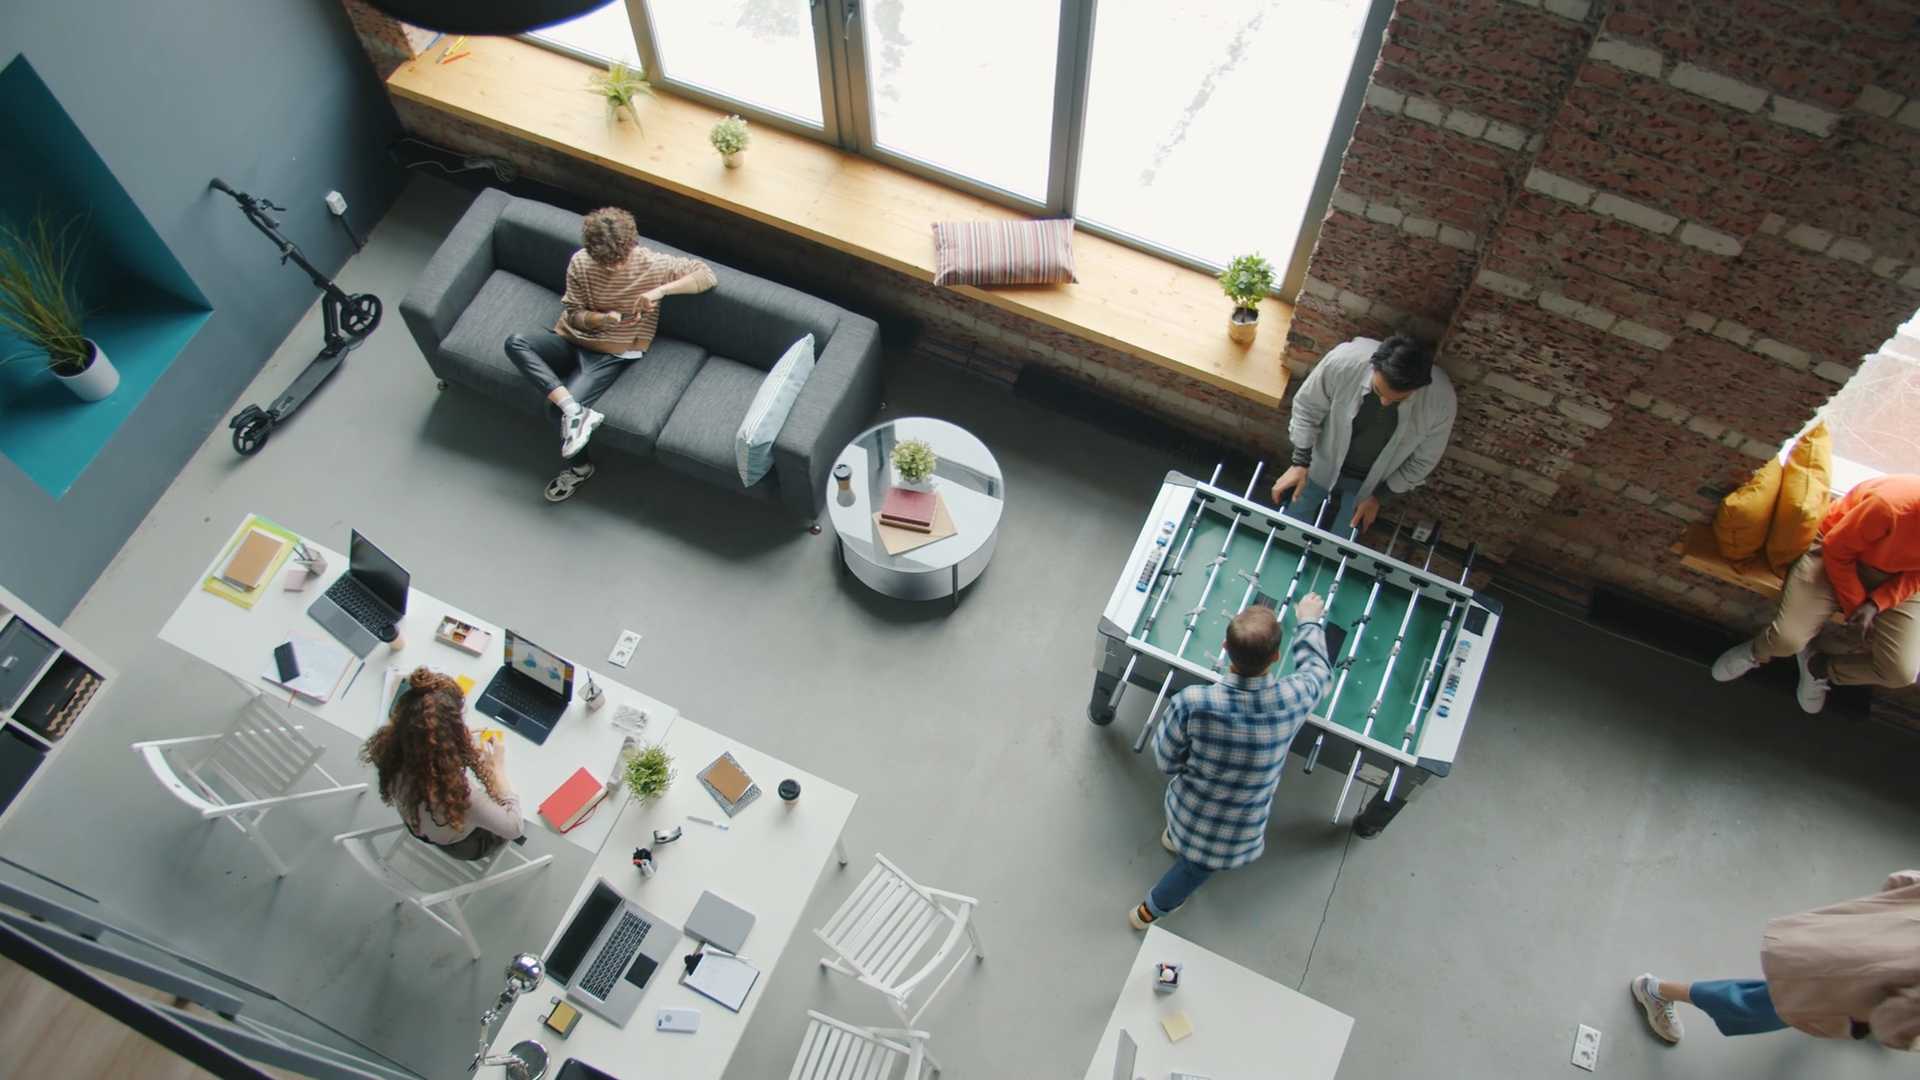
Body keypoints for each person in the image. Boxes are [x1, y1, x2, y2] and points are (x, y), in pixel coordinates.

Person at [1129, 593, 1332, 929]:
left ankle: (1165, 872)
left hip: (1186, 809)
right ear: (1276, 656)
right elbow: (1319, 673)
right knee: (1194, 870)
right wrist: (1309, 619)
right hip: (1231, 834)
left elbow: (1166, 761)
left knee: (1184, 847)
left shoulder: (1193, 701)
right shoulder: (1293, 697)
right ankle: (1148, 912)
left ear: (1225, 648)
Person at [502, 206, 716, 503]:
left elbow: (705, 275)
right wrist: (600, 320)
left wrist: (659, 292)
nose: (614, 268)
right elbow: (573, 313)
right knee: (515, 343)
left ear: (632, 244)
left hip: (611, 354)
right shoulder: (580, 263)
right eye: (605, 262)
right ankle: (576, 412)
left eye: (619, 260)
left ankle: (580, 467)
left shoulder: (653, 265)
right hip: (570, 339)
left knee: (554, 411)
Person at [1630, 870, 1920, 1051]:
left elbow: (1902, 880)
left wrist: (1889, 938)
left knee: (1780, 994)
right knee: (1758, 1003)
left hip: (1837, 939)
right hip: (1833, 985)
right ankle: (1655, 989)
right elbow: (1890, 1022)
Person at [1713, 474, 1920, 712]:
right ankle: (1755, 652)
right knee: (1786, 640)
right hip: (1835, 555)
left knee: (1899, 673)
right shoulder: (1891, 505)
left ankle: (1818, 667)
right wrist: (1856, 606)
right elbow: (1837, 550)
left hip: (1898, 577)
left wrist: (1875, 604)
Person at [1269, 334, 1456, 534]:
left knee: (1339, 547)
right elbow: (1307, 408)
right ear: (1374, 367)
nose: (1385, 402)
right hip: (1319, 463)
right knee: (1287, 530)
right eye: (1379, 391)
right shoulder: (1343, 362)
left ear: (1418, 388)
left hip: (1369, 487)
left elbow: (1423, 461)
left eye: (1397, 399)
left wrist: (1379, 497)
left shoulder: (1441, 401)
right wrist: (1300, 463)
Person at [360, 667, 524, 860]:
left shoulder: (387, 747)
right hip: (462, 844)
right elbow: (514, 828)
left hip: (418, 823)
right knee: (517, 813)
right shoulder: (461, 796)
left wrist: (449, 745)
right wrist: (498, 769)